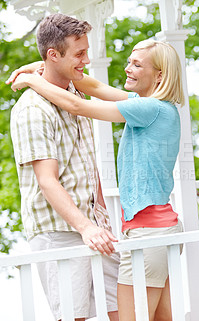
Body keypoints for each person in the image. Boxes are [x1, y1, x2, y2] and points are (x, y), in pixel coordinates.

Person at [9, 38, 185, 321]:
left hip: (149, 233)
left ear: (160, 75)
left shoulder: (150, 109)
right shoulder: (151, 105)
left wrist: (33, 81)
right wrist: (44, 67)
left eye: (137, 64)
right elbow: (95, 88)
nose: (127, 68)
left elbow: (76, 106)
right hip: (156, 229)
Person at [7, 13, 119, 321]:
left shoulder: (75, 93)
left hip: (95, 224)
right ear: (53, 55)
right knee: (73, 317)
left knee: (125, 307)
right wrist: (85, 228)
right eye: (79, 53)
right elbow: (47, 180)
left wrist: (101, 217)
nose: (86, 59)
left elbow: (87, 160)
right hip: (59, 229)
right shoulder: (31, 109)